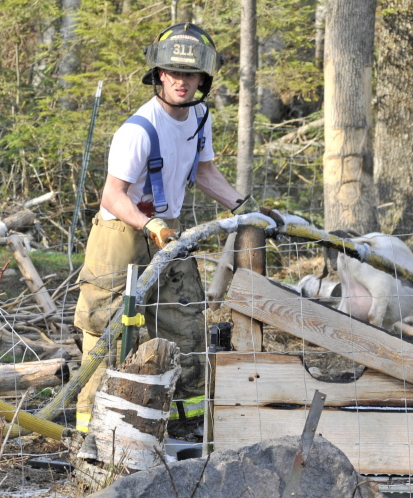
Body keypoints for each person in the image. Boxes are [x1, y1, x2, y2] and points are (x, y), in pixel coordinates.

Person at [74, 23, 274, 435]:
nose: (182, 82)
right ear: (159, 75)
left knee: (185, 326)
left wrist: (245, 207)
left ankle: (186, 426)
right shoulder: (137, 130)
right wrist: (150, 225)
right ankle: (89, 432)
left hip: (168, 230)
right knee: (109, 332)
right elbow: (111, 195)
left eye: (190, 75)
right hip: (121, 236)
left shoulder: (199, 118)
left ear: (203, 78)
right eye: (174, 73)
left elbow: (204, 173)